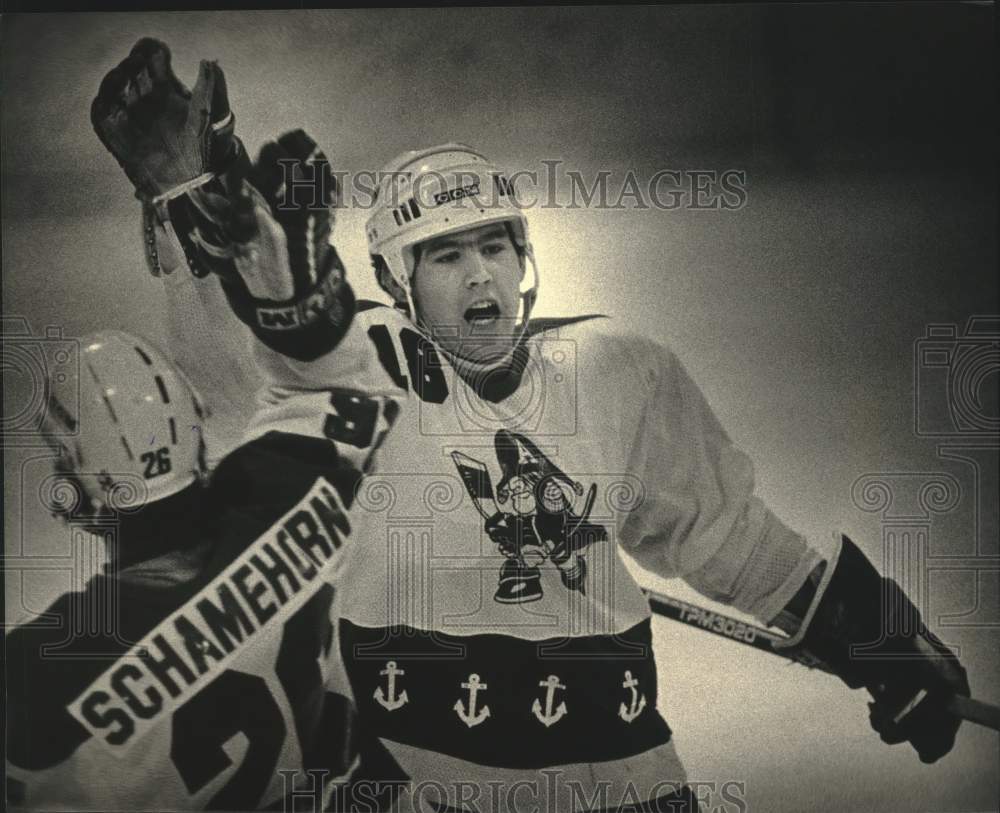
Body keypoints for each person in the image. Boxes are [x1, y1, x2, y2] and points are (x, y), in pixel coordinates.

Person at [90, 40, 972, 813]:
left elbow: (725, 531)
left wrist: (880, 639)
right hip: (422, 780)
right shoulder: (359, 361)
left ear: (525, 260)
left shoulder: (615, 368)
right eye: (444, 254)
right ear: (398, 285)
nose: (480, 274)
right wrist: (189, 191)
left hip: (632, 783)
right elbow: (238, 360)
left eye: (495, 246)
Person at [3, 344, 382, 809]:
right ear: (198, 429)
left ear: (72, 490)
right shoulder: (288, 488)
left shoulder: (40, 667)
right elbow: (349, 376)